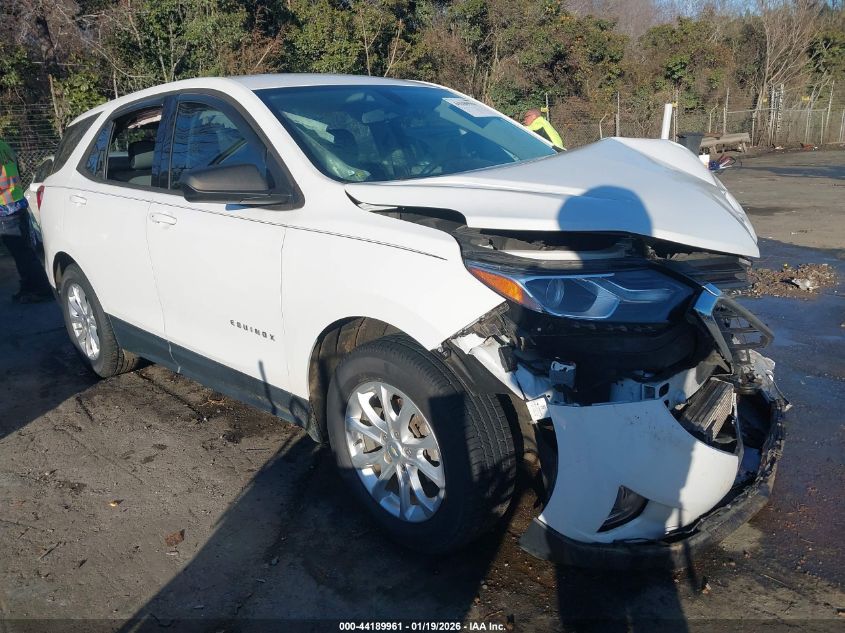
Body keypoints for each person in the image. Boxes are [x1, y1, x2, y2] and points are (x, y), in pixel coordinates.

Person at [0, 138, 52, 303]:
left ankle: (42, 289)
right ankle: (28, 287)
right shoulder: (4, 146)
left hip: (5, 209)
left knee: (23, 254)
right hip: (16, 205)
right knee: (23, 253)